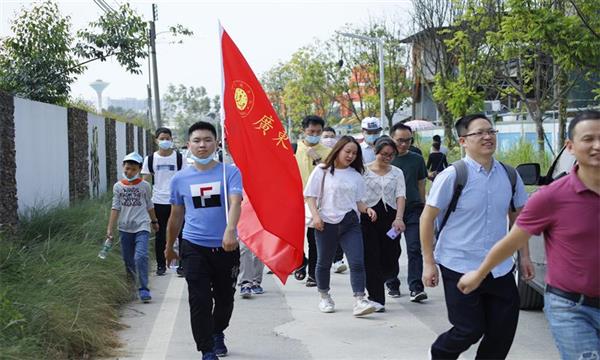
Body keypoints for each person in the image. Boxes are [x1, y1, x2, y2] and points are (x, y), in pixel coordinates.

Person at [457, 110, 600, 359]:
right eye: (588, 139)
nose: (597, 146)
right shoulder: (552, 197)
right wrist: (479, 274)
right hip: (572, 308)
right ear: (570, 147)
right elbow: (513, 239)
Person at [420, 114, 532, 360]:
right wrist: (428, 263)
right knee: (468, 329)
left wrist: (524, 256)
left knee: (501, 333)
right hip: (458, 263)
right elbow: (427, 219)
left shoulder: (510, 175)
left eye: (491, 131)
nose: (487, 137)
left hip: (499, 267)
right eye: (479, 133)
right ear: (463, 141)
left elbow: (519, 220)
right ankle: (438, 353)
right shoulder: (452, 176)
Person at [164, 121, 243, 360]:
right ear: (188, 145)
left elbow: (236, 202)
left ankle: (218, 330)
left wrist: (230, 230)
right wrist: (169, 247)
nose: (202, 145)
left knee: (225, 300)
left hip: (226, 247)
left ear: (216, 143)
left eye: (207, 140)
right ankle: (207, 349)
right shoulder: (180, 179)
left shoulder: (229, 172)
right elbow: (176, 216)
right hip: (194, 247)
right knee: (199, 300)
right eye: (197, 141)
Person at [304, 135, 378, 317]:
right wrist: (316, 216)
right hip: (325, 222)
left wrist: (367, 209)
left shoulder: (356, 175)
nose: (351, 156)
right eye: (347, 151)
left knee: (357, 261)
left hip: (350, 222)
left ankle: (360, 300)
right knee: (324, 262)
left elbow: (358, 201)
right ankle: (324, 296)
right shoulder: (322, 171)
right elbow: (310, 196)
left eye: (354, 153)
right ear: (338, 150)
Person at [361, 137, 406, 312]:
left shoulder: (397, 173)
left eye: (391, 155)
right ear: (376, 152)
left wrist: (399, 218)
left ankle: (386, 277)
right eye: (384, 154)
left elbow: (401, 196)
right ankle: (376, 298)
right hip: (369, 219)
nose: (387, 158)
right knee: (371, 258)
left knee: (392, 254)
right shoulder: (363, 171)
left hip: (390, 219)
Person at [106, 152, 159, 303]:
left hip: (142, 226)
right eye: (127, 168)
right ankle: (131, 286)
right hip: (124, 227)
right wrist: (110, 228)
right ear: (123, 167)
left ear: (139, 169)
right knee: (128, 260)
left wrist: (154, 221)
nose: (129, 172)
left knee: (140, 256)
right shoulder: (118, 187)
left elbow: (149, 205)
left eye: (133, 169)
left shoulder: (145, 186)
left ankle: (143, 288)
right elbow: (115, 208)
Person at [389, 123, 428, 301]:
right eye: (400, 141)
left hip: (412, 210)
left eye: (408, 140)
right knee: (391, 248)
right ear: (391, 139)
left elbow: (421, 184)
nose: (403, 144)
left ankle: (416, 287)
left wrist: (423, 206)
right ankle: (392, 283)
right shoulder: (386, 159)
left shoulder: (417, 159)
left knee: (414, 248)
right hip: (390, 212)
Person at [141, 127, 185, 276]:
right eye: (162, 138)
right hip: (158, 201)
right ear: (156, 140)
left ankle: (182, 265)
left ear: (171, 139)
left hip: (177, 201)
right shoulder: (151, 159)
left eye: (167, 138)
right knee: (160, 235)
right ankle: (161, 265)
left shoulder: (179, 158)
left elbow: (185, 178)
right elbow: (145, 181)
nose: (165, 141)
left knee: (181, 233)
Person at [295, 115, 332, 287]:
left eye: (318, 132)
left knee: (313, 238)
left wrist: (317, 158)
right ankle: (300, 262)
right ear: (304, 131)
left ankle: (313, 274)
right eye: (311, 131)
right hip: (294, 200)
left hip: (317, 202)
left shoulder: (327, 152)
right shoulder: (293, 149)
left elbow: (332, 174)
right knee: (293, 237)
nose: (314, 134)